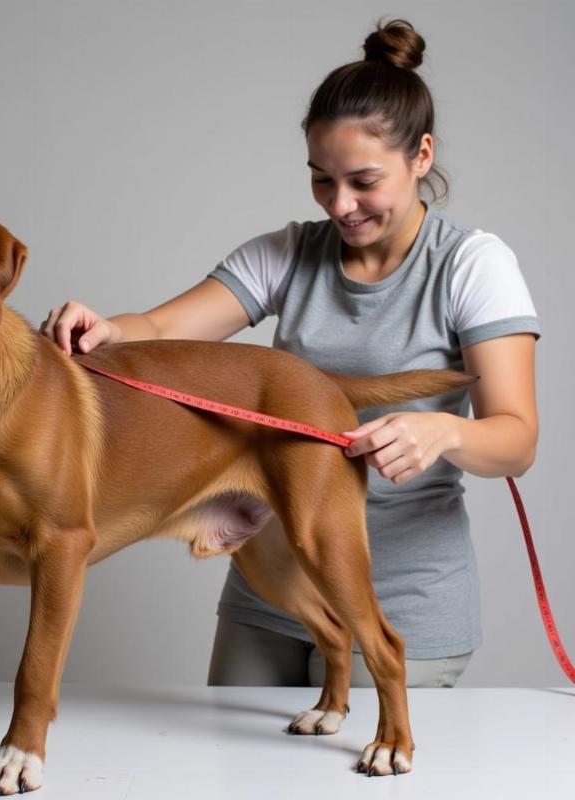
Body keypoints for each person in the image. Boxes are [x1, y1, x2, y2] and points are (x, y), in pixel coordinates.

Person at [41, 19, 539, 689]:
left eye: (363, 181)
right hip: (271, 593)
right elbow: (160, 326)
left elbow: (516, 440)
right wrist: (104, 327)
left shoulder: (473, 265)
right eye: (321, 181)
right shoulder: (289, 252)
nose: (341, 205)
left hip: (403, 603)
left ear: (422, 156)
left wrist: (443, 430)